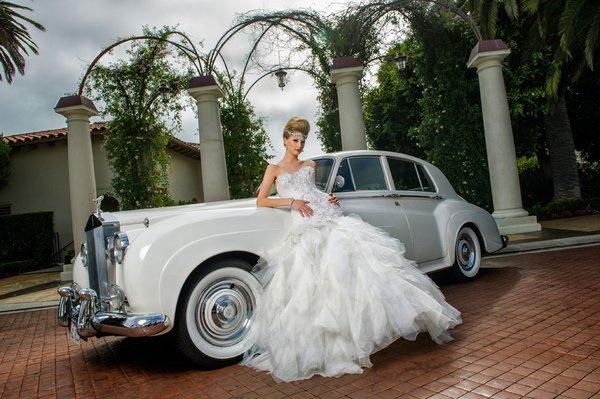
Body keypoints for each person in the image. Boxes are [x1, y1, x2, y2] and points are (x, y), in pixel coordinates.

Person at [240, 116, 462, 382]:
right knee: (312, 283)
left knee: (356, 269)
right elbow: (262, 200)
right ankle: (332, 344)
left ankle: (365, 334)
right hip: (305, 224)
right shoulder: (274, 168)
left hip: (326, 214)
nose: (299, 145)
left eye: (303, 140)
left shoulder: (309, 165)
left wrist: (328, 197)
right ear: (285, 140)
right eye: (295, 140)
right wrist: (292, 202)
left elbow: (314, 191)